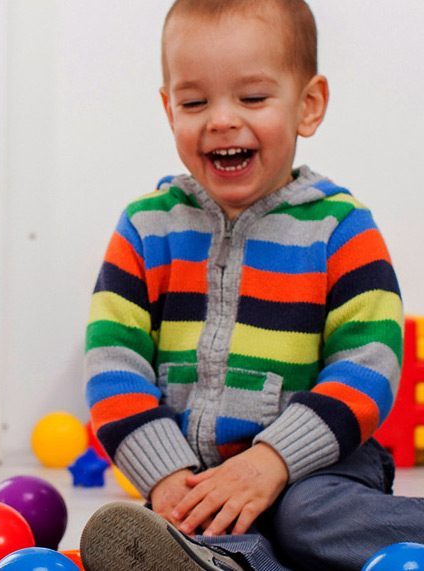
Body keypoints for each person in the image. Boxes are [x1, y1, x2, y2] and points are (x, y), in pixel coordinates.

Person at [79, 1, 423, 570]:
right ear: (169, 109)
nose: (220, 120)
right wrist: (166, 476)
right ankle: (220, 562)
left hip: (320, 468)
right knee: (207, 528)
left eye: (253, 98)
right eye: (194, 102)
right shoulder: (146, 228)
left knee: (305, 517)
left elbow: (370, 364)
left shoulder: (341, 228)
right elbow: (113, 362)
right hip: (197, 474)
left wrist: (273, 461)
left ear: (308, 105)